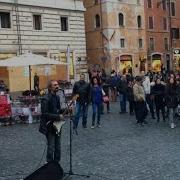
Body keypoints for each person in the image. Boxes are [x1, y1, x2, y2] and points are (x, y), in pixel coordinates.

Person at [39, 80, 65, 163]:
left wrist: (66, 110)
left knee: (58, 146)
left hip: (57, 125)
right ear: (50, 87)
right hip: (49, 126)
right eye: (55, 85)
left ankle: (57, 164)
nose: (57, 86)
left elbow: (57, 110)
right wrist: (58, 116)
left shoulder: (57, 97)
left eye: (57, 84)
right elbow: (45, 114)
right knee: (51, 146)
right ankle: (49, 164)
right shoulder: (45, 98)